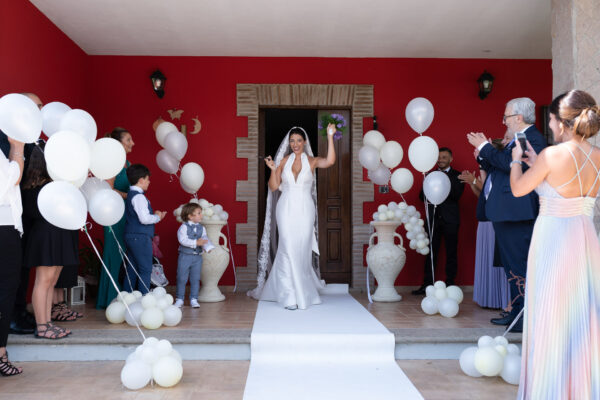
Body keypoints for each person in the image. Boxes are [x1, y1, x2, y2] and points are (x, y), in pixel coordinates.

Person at [510, 90, 600, 399]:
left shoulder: (552, 154)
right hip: (585, 237)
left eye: (550, 120)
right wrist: (537, 162)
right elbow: (565, 183)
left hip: (554, 240)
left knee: (551, 311)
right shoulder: (597, 155)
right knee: (580, 313)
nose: (549, 126)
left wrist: (516, 161)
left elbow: (519, 189)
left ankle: (550, 388)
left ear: (561, 122)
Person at [467, 97, 546, 333]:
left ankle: (523, 316)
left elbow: (511, 164)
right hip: (506, 213)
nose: (504, 121)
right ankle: (516, 311)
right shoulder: (518, 138)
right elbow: (501, 166)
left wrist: (485, 146)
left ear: (518, 118)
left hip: (517, 213)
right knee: (511, 267)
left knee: (518, 266)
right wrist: (482, 156)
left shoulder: (532, 138)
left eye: (506, 117)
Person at [249, 124, 336, 310]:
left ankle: (301, 291)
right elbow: (274, 187)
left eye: (298, 140)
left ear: (304, 142)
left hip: (305, 209)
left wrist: (330, 136)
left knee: (302, 248)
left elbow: (330, 161)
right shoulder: (284, 161)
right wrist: (273, 169)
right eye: (292, 141)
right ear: (289, 143)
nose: (295, 144)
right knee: (287, 245)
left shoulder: (312, 161)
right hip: (286, 207)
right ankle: (288, 295)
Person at [21, 145, 78, 339]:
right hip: (46, 235)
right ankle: (42, 326)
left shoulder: (51, 185)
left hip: (57, 233)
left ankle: (47, 323)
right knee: (44, 281)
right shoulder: (37, 187)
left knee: (51, 282)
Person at [459, 138, 511, 309]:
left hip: (494, 220)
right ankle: (489, 299)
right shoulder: (488, 169)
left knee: (497, 261)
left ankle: (501, 299)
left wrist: (475, 180)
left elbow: (491, 191)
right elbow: (483, 196)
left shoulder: (500, 171)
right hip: (484, 219)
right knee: (487, 261)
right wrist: (472, 183)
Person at [412, 147, 464, 295]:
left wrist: (442, 183)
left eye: (444, 157)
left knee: (451, 252)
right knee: (430, 253)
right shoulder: (430, 175)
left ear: (451, 159)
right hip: (433, 219)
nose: (440, 160)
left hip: (451, 220)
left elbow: (456, 196)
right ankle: (427, 284)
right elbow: (422, 196)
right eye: (439, 157)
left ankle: (450, 284)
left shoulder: (458, 175)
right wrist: (431, 185)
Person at [96, 127, 135, 308]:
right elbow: (108, 189)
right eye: (128, 140)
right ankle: (109, 297)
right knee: (114, 253)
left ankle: (121, 295)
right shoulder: (112, 162)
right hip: (113, 214)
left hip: (125, 213)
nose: (132, 143)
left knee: (123, 253)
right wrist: (128, 195)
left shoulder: (127, 163)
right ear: (118, 143)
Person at [0, 135, 25, 375]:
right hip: (4, 226)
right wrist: (17, 148)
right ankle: (0, 355)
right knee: (6, 290)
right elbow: (10, 180)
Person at [123, 164, 166, 294]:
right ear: (141, 180)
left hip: (131, 236)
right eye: (147, 179)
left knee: (132, 269)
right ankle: (144, 299)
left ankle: (127, 297)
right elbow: (144, 219)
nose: (149, 182)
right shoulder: (139, 197)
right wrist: (158, 217)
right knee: (145, 269)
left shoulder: (131, 194)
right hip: (140, 237)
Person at [175, 203, 214, 308]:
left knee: (195, 278)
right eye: (199, 213)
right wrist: (196, 242)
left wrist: (208, 247)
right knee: (181, 278)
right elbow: (182, 240)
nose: (201, 215)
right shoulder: (183, 227)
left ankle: (194, 299)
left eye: (201, 213)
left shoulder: (202, 228)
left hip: (197, 257)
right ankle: (179, 299)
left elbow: (204, 239)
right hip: (185, 256)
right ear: (190, 216)